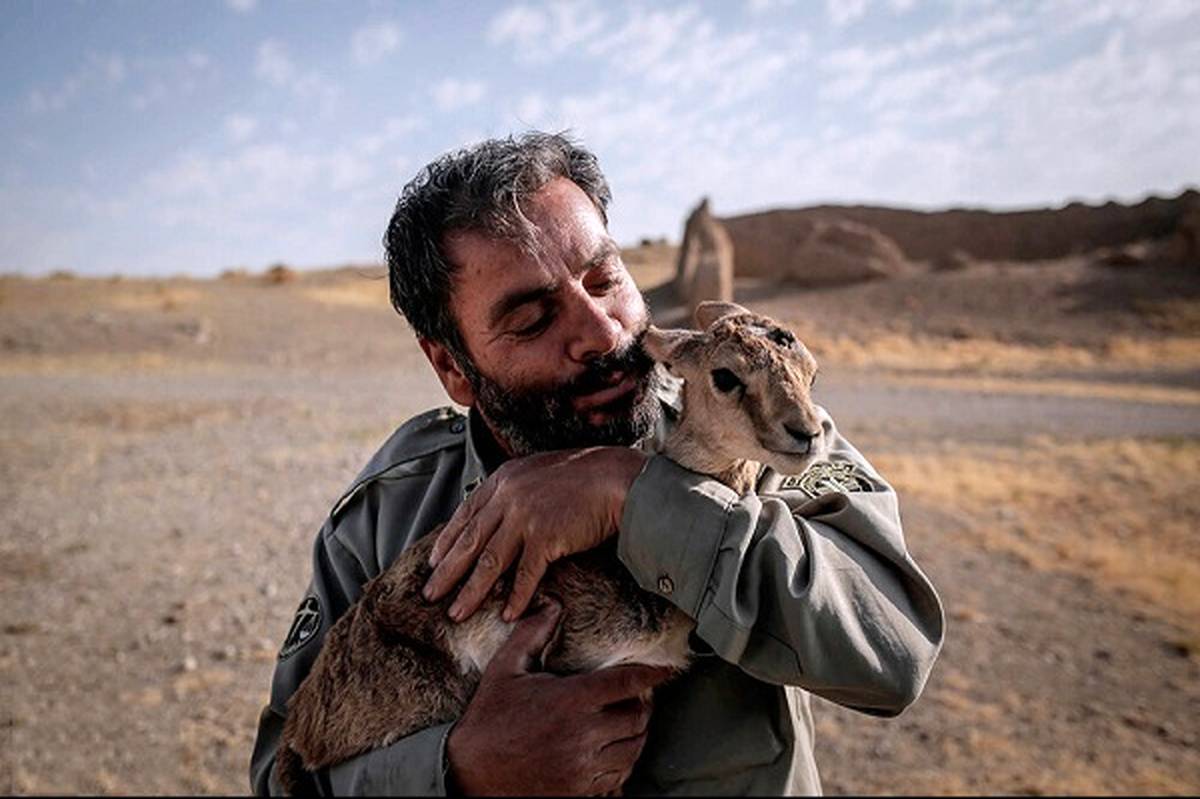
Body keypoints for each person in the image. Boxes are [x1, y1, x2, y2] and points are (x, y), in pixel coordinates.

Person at [249, 131, 944, 795]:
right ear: (452, 367)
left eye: (605, 278)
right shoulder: (388, 511)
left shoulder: (748, 429)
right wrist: (457, 774)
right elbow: (285, 773)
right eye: (532, 319)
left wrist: (633, 495)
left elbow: (894, 649)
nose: (602, 332)